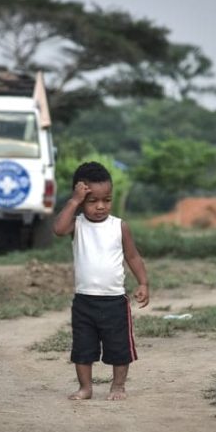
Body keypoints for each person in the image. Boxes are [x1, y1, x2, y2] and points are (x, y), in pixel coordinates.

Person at [52, 161, 150, 400]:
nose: (100, 206)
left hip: (114, 301)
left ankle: (118, 386)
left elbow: (133, 256)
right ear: (81, 198)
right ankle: (86, 388)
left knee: (119, 348)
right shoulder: (78, 225)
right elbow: (58, 229)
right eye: (92, 200)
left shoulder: (119, 226)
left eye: (106, 200)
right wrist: (73, 201)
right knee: (83, 349)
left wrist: (143, 282)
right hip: (84, 302)